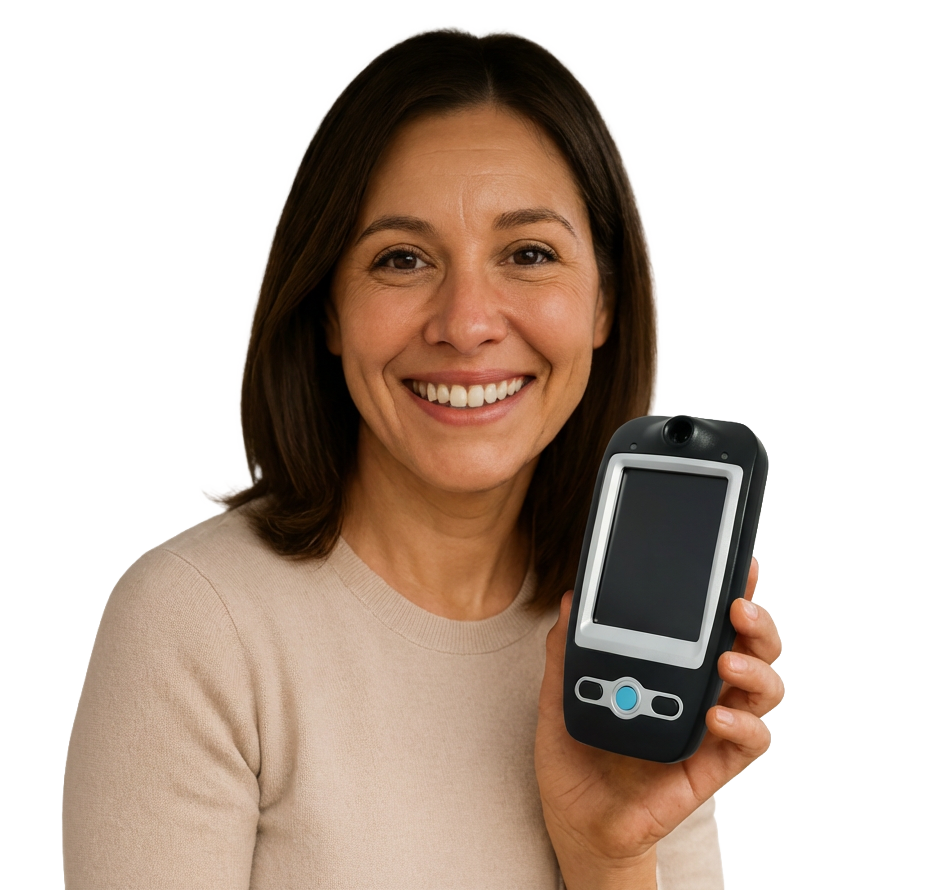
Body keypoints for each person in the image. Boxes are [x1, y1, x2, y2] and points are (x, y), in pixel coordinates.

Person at [63, 29, 783, 890]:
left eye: (528, 254)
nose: (467, 321)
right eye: (402, 259)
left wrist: (609, 853)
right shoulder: (198, 628)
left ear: (604, 304)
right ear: (328, 308)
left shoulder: (633, 660)